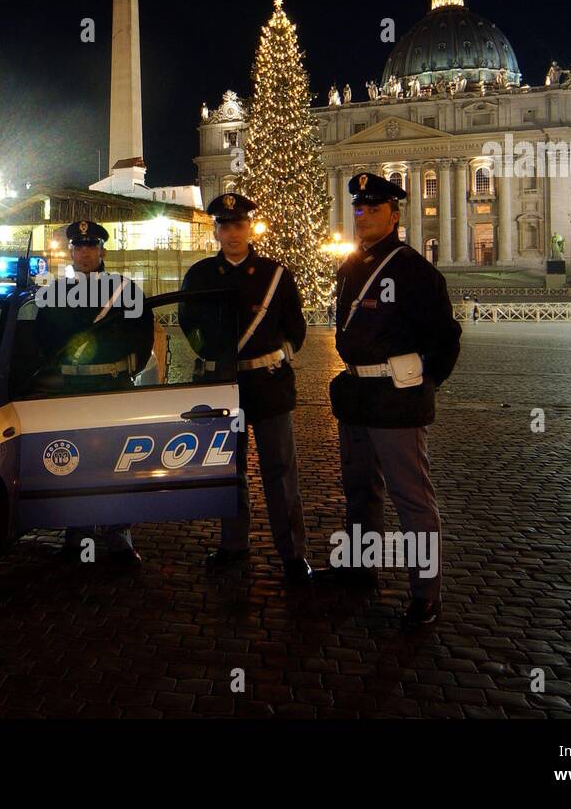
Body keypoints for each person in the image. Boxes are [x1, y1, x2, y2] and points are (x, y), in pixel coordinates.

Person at [327, 172, 461, 629]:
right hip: (356, 395)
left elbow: (446, 340)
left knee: (411, 498)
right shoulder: (349, 268)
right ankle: (361, 567)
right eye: (359, 208)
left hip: (396, 398)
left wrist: (422, 385)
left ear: (395, 213)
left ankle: (426, 593)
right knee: (360, 491)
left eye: (373, 208)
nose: (363, 216)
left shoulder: (414, 270)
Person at [180, 192, 311, 584]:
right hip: (224, 385)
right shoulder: (200, 275)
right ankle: (233, 543)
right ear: (216, 232)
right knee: (228, 468)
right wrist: (211, 353)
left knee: (280, 470)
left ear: (249, 228)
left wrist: (277, 355)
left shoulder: (276, 274)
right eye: (224, 226)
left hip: (268, 385)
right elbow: (190, 323)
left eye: (239, 225)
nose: (232, 233)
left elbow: (296, 327)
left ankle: (292, 553)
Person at [34, 220, 154, 568]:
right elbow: (41, 341)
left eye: (91, 246)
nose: (84, 253)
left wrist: (127, 372)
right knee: (73, 462)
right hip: (71, 388)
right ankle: (78, 534)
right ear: (70, 251)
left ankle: (119, 536)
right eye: (78, 247)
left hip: (112, 386)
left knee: (117, 462)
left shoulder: (124, 289)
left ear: (102, 251)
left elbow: (142, 340)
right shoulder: (53, 292)